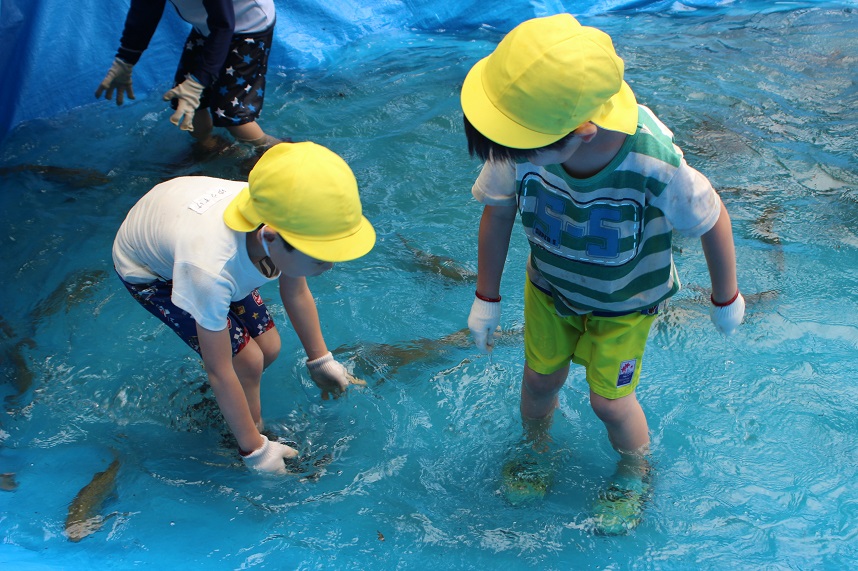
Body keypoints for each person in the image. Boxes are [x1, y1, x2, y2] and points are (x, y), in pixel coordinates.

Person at [459, 14, 744, 533]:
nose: (510, 157)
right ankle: (535, 448)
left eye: (518, 148)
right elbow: (497, 213)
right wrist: (486, 297)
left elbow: (711, 217)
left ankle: (635, 471)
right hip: (550, 289)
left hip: (625, 306)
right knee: (539, 379)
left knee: (610, 403)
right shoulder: (520, 136)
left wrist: (726, 298)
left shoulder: (655, 163)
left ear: (582, 134)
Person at [112, 142, 376, 474]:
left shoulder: (280, 211)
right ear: (271, 238)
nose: (330, 266)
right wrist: (255, 450)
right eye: (321, 258)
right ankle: (246, 435)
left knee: (270, 347)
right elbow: (218, 369)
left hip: (184, 225)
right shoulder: (209, 272)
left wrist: (320, 360)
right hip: (152, 273)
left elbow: (295, 289)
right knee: (247, 361)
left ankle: (238, 412)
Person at [95, 0, 282, 151]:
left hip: (248, 26)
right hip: (209, 26)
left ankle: (275, 151)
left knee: (231, 114)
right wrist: (126, 59)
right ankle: (210, 146)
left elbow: (223, 25)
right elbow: (145, 11)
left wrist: (199, 80)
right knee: (185, 99)